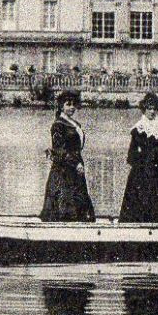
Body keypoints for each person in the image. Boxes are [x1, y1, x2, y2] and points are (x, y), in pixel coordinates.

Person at [40, 90, 95, 222]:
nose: (71, 107)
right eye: (68, 104)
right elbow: (59, 150)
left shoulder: (75, 124)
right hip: (63, 170)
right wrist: (75, 164)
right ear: (61, 106)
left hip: (76, 169)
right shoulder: (58, 125)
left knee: (79, 200)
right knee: (64, 201)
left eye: (73, 104)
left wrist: (78, 164)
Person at [118, 92, 158, 223]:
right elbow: (132, 155)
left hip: (154, 172)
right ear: (144, 109)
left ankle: (155, 226)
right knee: (138, 198)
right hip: (140, 172)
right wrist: (151, 154)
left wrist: (155, 152)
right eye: (149, 108)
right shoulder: (138, 129)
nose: (152, 111)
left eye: (154, 109)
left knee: (155, 198)